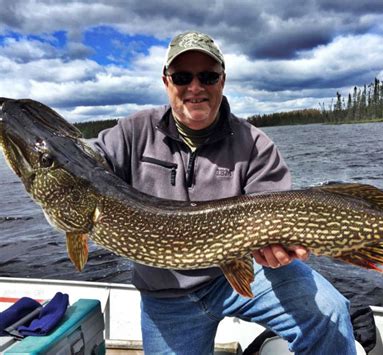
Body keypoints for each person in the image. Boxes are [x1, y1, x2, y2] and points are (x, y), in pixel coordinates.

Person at [94, 31, 356, 354]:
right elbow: (87, 165)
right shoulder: (133, 132)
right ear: (166, 81)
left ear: (222, 80)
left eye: (207, 76)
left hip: (238, 271)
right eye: (182, 77)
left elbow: (274, 219)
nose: (195, 87)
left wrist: (276, 251)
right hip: (166, 297)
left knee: (329, 313)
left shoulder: (255, 144)